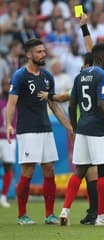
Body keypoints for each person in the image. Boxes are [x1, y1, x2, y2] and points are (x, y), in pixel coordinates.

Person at [5, 38, 72, 225]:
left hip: (46, 129)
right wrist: (9, 123)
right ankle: (22, 215)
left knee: (49, 169)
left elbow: (54, 105)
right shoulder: (20, 76)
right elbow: (11, 104)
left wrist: (69, 127)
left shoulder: (47, 77)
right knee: (28, 169)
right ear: (29, 54)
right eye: (39, 52)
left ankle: (50, 215)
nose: (43, 54)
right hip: (28, 130)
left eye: (44, 51)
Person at [59, 43, 104, 226]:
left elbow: (72, 106)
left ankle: (65, 211)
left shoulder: (80, 76)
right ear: (101, 57)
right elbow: (102, 104)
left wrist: (74, 128)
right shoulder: (103, 75)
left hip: (83, 129)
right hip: (99, 131)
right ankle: (102, 217)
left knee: (79, 170)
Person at [0, 77, 16, 208]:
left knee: (8, 166)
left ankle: (4, 196)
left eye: (8, 84)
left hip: (10, 138)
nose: (7, 87)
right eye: (4, 84)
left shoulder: (16, 100)